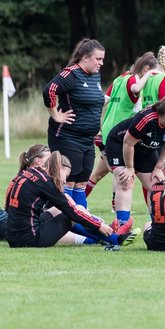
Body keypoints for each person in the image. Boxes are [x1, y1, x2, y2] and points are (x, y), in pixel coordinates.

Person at [4, 150, 133, 249]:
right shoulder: (46, 182)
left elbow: (7, 204)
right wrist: (98, 225)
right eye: (65, 176)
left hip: (13, 235)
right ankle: (113, 239)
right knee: (73, 213)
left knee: (65, 210)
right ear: (59, 168)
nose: (65, 181)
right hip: (29, 239)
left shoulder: (28, 172)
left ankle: (106, 235)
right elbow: (72, 213)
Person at [104, 96, 165, 234]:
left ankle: (157, 227)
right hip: (120, 144)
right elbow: (128, 143)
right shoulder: (146, 119)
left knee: (156, 185)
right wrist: (130, 168)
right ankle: (122, 227)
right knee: (126, 181)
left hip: (144, 150)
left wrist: (158, 168)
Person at [86, 52, 159, 202]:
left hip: (107, 130)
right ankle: (118, 210)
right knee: (124, 173)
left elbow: (105, 99)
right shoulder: (134, 79)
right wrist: (150, 75)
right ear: (146, 69)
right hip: (119, 133)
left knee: (100, 173)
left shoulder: (120, 78)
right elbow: (135, 89)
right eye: (151, 73)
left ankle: (80, 201)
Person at [44, 38, 107, 211]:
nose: (101, 63)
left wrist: (96, 126)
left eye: (102, 59)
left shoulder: (95, 75)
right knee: (69, 181)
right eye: (98, 59)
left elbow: (94, 102)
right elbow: (49, 90)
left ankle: (82, 224)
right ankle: (62, 224)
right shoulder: (70, 74)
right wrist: (56, 114)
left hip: (87, 139)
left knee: (82, 183)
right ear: (85, 57)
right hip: (67, 137)